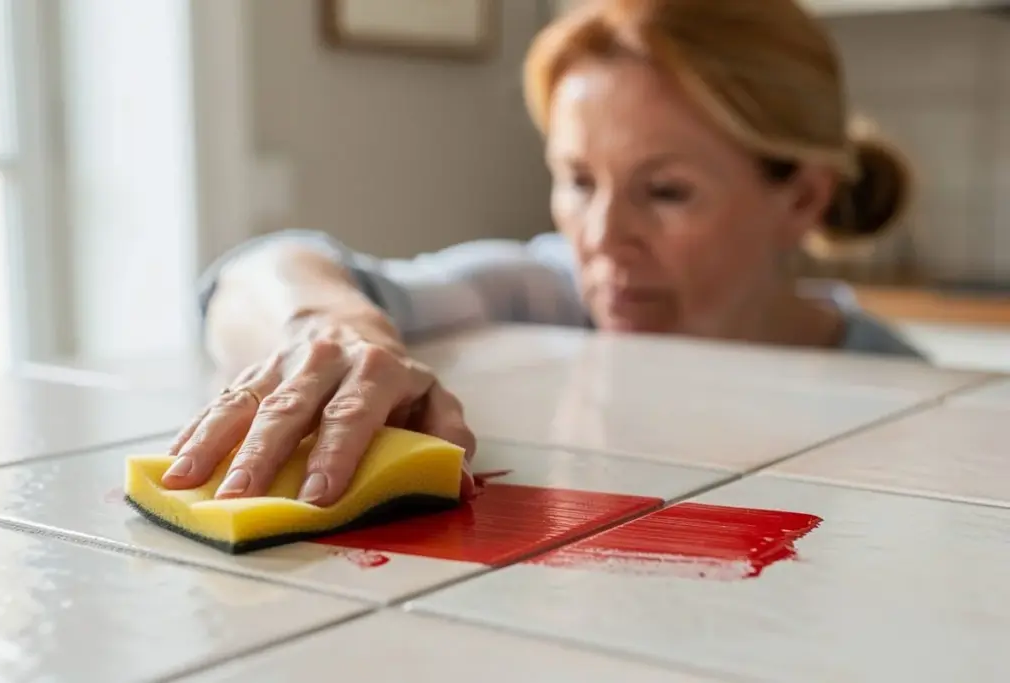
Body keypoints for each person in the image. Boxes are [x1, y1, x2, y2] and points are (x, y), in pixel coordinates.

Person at [163, 0, 923, 508]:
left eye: (665, 191)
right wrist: (320, 326)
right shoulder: (540, 294)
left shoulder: (906, 399)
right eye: (578, 180)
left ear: (802, 199)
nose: (599, 237)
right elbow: (259, 272)